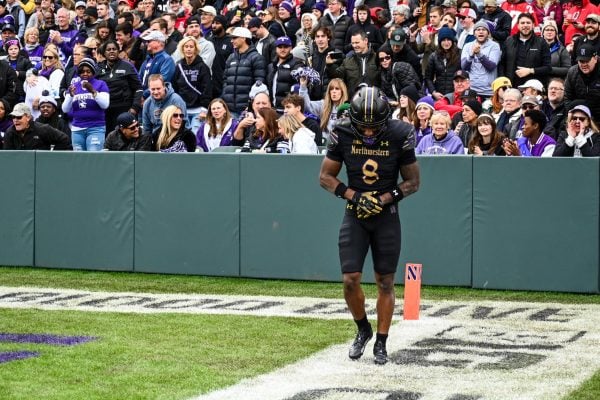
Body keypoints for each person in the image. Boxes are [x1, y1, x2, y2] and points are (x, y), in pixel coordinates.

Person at [319, 85, 419, 365]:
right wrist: (355, 196)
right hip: (355, 213)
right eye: (363, 127)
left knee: (385, 281)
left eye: (374, 127)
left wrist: (385, 199)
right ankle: (363, 328)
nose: (369, 133)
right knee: (350, 279)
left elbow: (413, 182)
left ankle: (382, 342)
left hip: (386, 216)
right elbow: (325, 177)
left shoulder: (401, 133)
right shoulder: (342, 131)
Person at [62, 57, 110, 151]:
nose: (85, 74)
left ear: (93, 72)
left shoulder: (100, 84)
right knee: (79, 159)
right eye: (82, 71)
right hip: (77, 129)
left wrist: (92, 91)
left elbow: (105, 105)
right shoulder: (74, 86)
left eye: (88, 71)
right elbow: (65, 109)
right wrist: (70, 96)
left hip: (96, 127)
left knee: (93, 157)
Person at [96, 39, 143, 134]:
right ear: (104, 53)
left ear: (118, 51)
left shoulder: (127, 66)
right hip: (105, 111)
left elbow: (138, 88)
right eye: (108, 50)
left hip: (124, 109)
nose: (112, 51)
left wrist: (134, 108)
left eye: (114, 49)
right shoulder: (98, 68)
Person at [222, 26, 267, 117]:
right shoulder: (231, 57)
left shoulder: (256, 58)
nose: (231, 41)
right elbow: (225, 80)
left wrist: (251, 105)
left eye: (234, 38)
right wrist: (225, 99)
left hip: (247, 109)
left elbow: (259, 84)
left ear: (243, 38)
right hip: (230, 108)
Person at [172, 35, 212, 133]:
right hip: (182, 110)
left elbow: (207, 88)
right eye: (186, 47)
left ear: (195, 49)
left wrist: (204, 109)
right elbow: (174, 87)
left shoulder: (203, 67)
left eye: (191, 46)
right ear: (182, 49)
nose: (189, 49)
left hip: (198, 110)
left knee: (195, 135)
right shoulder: (178, 66)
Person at [500, 13, 551, 88]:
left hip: (532, 88)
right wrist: (503, 83)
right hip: (511, 87)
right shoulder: (509, 41)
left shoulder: (541, 42)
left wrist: (531, 71)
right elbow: (502, 64)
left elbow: (548, 68)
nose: (525, 25)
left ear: (533, 25)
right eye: (522, 23)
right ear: (518, 25)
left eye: (528, 23)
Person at [326, 30, 380, 98]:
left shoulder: (377, 58)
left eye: (357, 42)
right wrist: (329, 65)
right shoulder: (348, 60)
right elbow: (336, 76)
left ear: (365, 41)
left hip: (374, 101)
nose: (354, 45)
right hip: (353, 101)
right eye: (353, 43)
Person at [299, 77, 348, 144]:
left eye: (337, 89)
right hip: (325, 144)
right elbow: (307, 106)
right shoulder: (323, 105)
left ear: (342, 91)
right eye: (331, 89)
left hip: (341, 144)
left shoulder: (347, 108)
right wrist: (303, 87)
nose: (334, 91)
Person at [3, 102, 72, 149]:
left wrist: (52, 156)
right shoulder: (9, 133)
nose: (15, 120)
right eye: (13, 117)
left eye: (19, 117)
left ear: (28, 117)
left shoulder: (43, 129)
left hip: (41, 166)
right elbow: (7, 156)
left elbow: (64, 139)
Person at [460, 20, 501, 99]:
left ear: (488, 33)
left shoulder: (494, 46)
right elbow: (464, 67)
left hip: (489, 91)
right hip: (472, 90)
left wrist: (479, 54)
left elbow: (491, 66)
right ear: (474, 33)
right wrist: (471, 55)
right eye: (478, 30)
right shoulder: (467, 46)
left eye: (484, 30)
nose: (481, 32)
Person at [564, 43, 600, 124]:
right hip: (579, 117)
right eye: (581, 61)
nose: (584, 64)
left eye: (587, 61)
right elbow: (567, 99)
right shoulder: (572, 72)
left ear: (595, 58)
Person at [425, 26, 461, 101]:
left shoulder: (459, 54)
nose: (446, 43)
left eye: (448, 40)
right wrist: (434, 92)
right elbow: (428, 78)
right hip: (439, 95)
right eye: (443, 40)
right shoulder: (434, 56)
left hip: (455, 95)